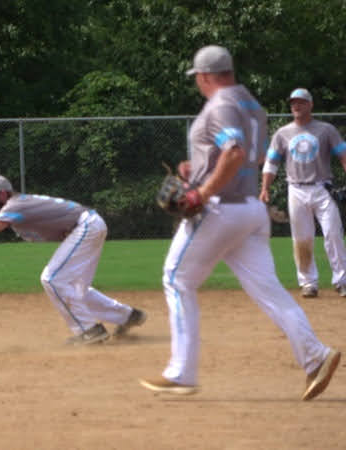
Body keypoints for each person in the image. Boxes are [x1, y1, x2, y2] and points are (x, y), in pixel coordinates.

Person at [139, 45, 340, 400]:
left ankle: (181, 372)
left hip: (221, 209)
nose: (198, 83)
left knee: (176, 278)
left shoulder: (220, 104)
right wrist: (199, 168)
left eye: (197, 78)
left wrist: (202, 191)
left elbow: (232, 151)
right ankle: (315, 356)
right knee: (269, 289)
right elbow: (251, 157)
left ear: (205, 76)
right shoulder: (251, 106)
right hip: (250, 211)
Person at [0, 175, 147, 345]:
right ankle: (128, 316)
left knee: (52, 279)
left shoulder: (15, 204)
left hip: (86, 225)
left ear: (3, 194)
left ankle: (89, 331)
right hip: (90, 225)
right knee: (75, 289)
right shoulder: (18, 209)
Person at [259, 88, 346, 298]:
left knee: (333, 234)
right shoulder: (282, 133)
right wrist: (265, 188)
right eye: (293, 103)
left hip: (323, 188)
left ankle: (342, 280)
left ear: (310, 105)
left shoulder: (326, 130)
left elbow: (343, 155)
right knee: (302, 239)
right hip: (296, 189)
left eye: (301, 102)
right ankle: (308, 283)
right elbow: (271, 163)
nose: (296, 106)